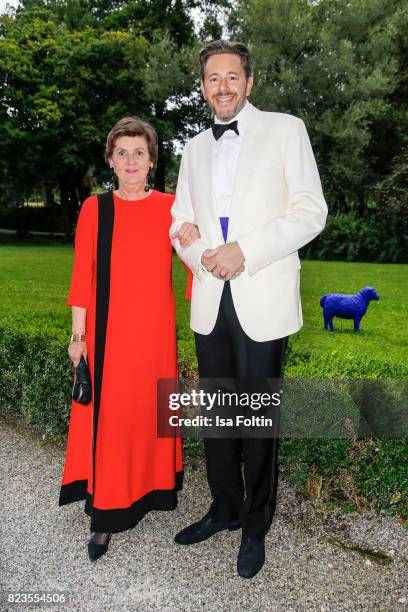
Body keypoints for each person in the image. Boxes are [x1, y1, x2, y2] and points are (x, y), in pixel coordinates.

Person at [170, 40, 328, 579]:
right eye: (213, 78)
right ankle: (224, 506)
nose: (222, 87)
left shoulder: (287, 130)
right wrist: (201, 256)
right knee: (218, 414)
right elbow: (180, 223)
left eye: (232, 77)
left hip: (264, 292)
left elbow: (312, 211)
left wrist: (247, 252)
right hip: (212, 298)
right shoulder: (192, 149)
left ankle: (257, 521)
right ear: (203, 87)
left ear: (249, 82)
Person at [59, 116, 197, 561]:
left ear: (152, 161)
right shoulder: (94, 209)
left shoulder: (172, 208)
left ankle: (151, 491)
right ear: (110, 162)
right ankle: (105, 515)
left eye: (140, 152)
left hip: (155, 335)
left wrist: (198, 236)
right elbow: (83, 275)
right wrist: (78, 336)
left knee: (148, 413)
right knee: (113, 420)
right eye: (123, 153)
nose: (131, 160)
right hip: (109, 335)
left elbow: (197, 260)